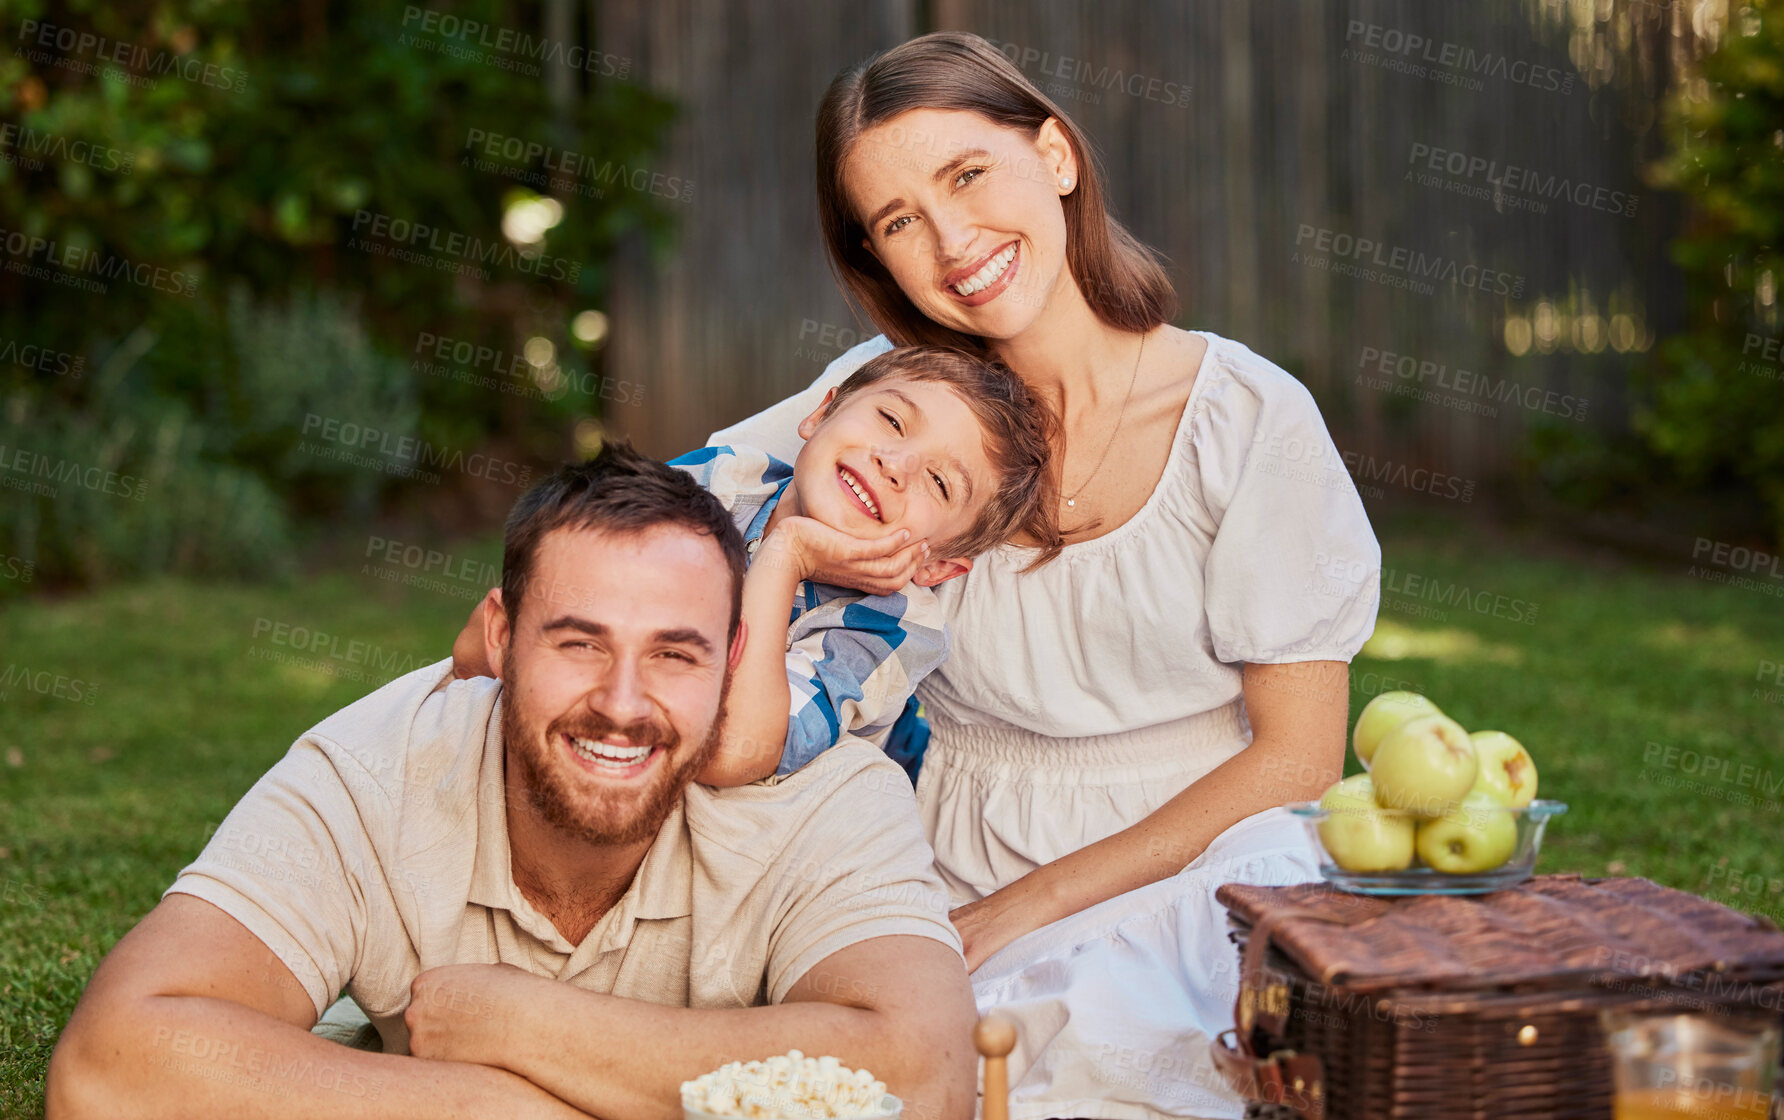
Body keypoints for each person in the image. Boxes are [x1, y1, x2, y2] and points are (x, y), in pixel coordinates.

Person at [707, 31, 1383, 1120]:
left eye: (966, 174)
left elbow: (1297, 756)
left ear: (1056, 156)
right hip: (937, 844)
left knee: (1177, 1030)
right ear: (878, 262)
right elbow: (681, 507)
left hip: (1197, 852)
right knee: (861, 1065)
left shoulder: (1245, 418)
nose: (951, 240)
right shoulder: (878, 403)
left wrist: (1020, 909)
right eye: (897, 222)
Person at [45, 443, 979, 1120]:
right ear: (499, 637)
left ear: (738, 660)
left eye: (674, 655)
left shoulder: (827, 794)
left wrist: (522, 1024)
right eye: (579, 644)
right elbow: (110, 1068)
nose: (623, 704)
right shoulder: (379, 763)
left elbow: (926, 1075)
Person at [455, 344, 1060, 787]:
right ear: (820, 414)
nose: (895, 462)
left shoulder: (893, 626)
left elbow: (730, 755)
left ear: (939, 566)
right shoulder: (726, 477)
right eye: (892, 420)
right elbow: (481, 651)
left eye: (938, 482)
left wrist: (786, 557)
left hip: (783, 832)